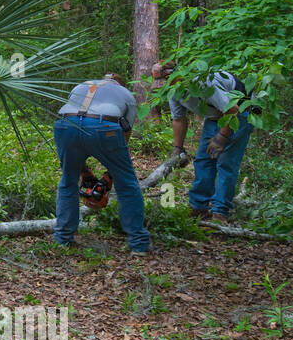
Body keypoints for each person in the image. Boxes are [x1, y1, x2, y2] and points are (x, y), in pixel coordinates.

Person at [53, 73, 151, 255]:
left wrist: (84, 172)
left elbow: (77, 121)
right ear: (119, 84)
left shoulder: (81, 85)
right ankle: (138, 244)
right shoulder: (126, 95)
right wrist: (112, 175)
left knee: (68, 180)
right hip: (104, 126)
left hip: (65, 124)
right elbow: (124, 139)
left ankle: (63, 238)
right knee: (127, 185)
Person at [153, 61, 254, 223]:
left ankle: (220, 212)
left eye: (168, 81)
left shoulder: (203, 82)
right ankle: (198, 206)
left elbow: (232, 109)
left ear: (179, 76)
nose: (166, 85)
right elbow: (179, 119)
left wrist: (222, 137)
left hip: (241, 113)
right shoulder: (172, 91)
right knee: (203, 160)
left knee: (225, 163)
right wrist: (177, 148)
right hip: (215, 117)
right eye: (163, 83)